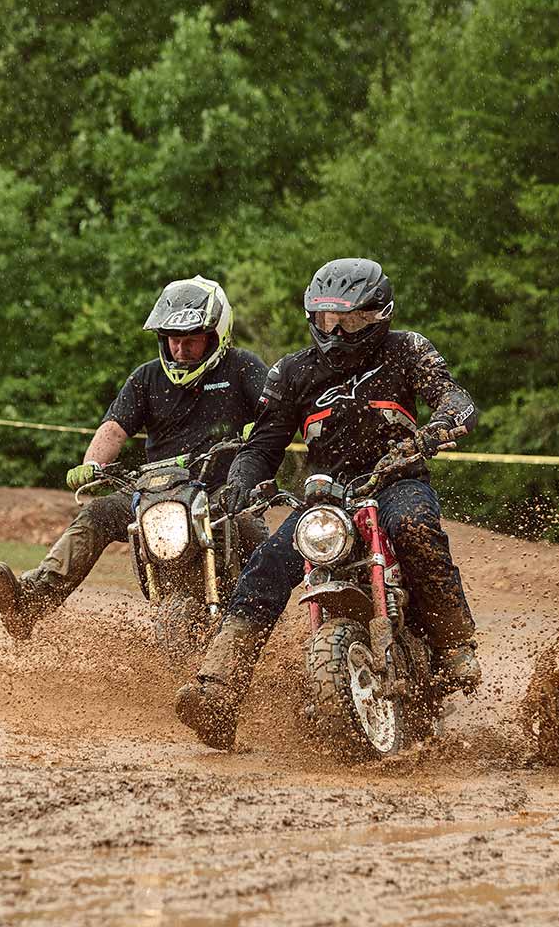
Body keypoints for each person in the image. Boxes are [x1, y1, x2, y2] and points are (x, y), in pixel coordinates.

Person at [174, 257, 483, 750]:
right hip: (327, 495)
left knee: (415, 524)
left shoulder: (407, 350)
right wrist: (239, 485)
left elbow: (453, 397)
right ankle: (218, 689)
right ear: (311, 318)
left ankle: (453, 646)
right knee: (269, 562)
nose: (336, 332)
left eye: (350, 320)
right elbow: (264, 445)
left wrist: (442, 424)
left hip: (396, 480)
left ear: (379, 315)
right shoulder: (292, 371)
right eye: (325, 320)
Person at [0, 276, 270, 641]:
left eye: (191, 340)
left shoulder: (243, 367)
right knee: (99, 512)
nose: (181, 349)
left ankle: (271, 617)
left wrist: (258, 431)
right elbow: (115, 428)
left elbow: (273, 413)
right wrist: (92, 465)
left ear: (216, 336)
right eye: (173, 339)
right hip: (155, 491)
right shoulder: (146, 377)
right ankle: (32, 600)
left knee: (249, 526)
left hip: (222, 489)